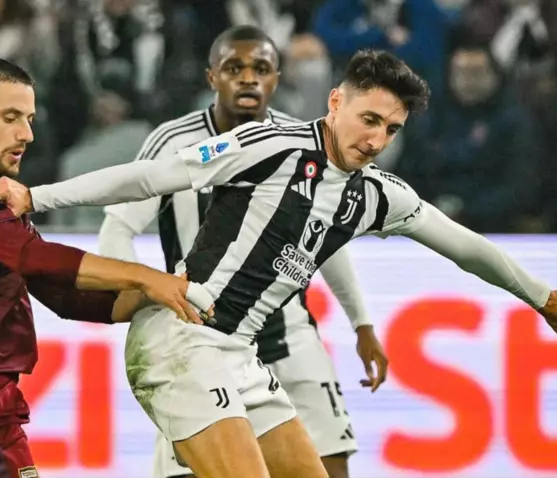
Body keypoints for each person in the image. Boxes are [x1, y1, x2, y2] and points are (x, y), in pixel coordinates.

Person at [0, 50, 557, 477]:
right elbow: (151, 177)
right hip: (183, 339)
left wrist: (541, 297)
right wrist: (37, 196)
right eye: (369, 120)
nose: (377, 140)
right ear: (336, 102)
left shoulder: (377, 194)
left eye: (392, 129)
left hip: (241, 357)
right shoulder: (270, 145)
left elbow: (464, 246)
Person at [0, 58, 213, 478]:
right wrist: (146, 276)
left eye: (29, 119)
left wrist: (157, 296)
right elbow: (32, 257)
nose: (26, 134)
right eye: (11, 117)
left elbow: (63, 295)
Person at [98, 25, 382, 478]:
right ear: (212, 76)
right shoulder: (174, 141)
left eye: (261, 68)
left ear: (276, 78)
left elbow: (327, 236)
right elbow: (118, 225)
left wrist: (361, 322)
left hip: (287, 335)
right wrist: (141, 286)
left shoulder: (307, 142)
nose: (248, 78)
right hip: (199, 337)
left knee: (329, 467)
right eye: (234, 68)